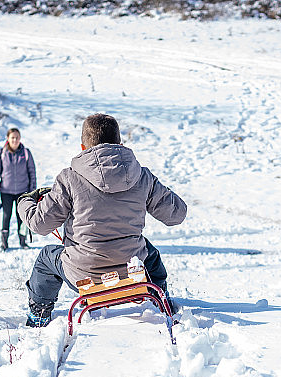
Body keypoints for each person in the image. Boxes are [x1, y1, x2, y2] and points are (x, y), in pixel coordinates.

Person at [17, 113, 187, 327]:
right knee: (149, 253)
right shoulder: (142, 176)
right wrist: (151, 188)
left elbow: (39, 224)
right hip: (132, 268)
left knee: (46, 258)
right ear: (120, 144)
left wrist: (25, 201)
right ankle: (162, 301)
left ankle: (39, 315)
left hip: (84, 274)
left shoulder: (69, 179)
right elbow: (177, 214)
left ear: (83, 147)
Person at [0, 127, 37, 250]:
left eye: (17, 137)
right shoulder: (2, 153)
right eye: (12, 137)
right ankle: (4, 243)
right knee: (6, 216)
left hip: (23, 192)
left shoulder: (26, 153)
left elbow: (32, 172)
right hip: (6, 191)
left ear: (20, 138)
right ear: (8, 138)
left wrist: (33, 191)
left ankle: (23, 242)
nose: (15, 140)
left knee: (22, 217)